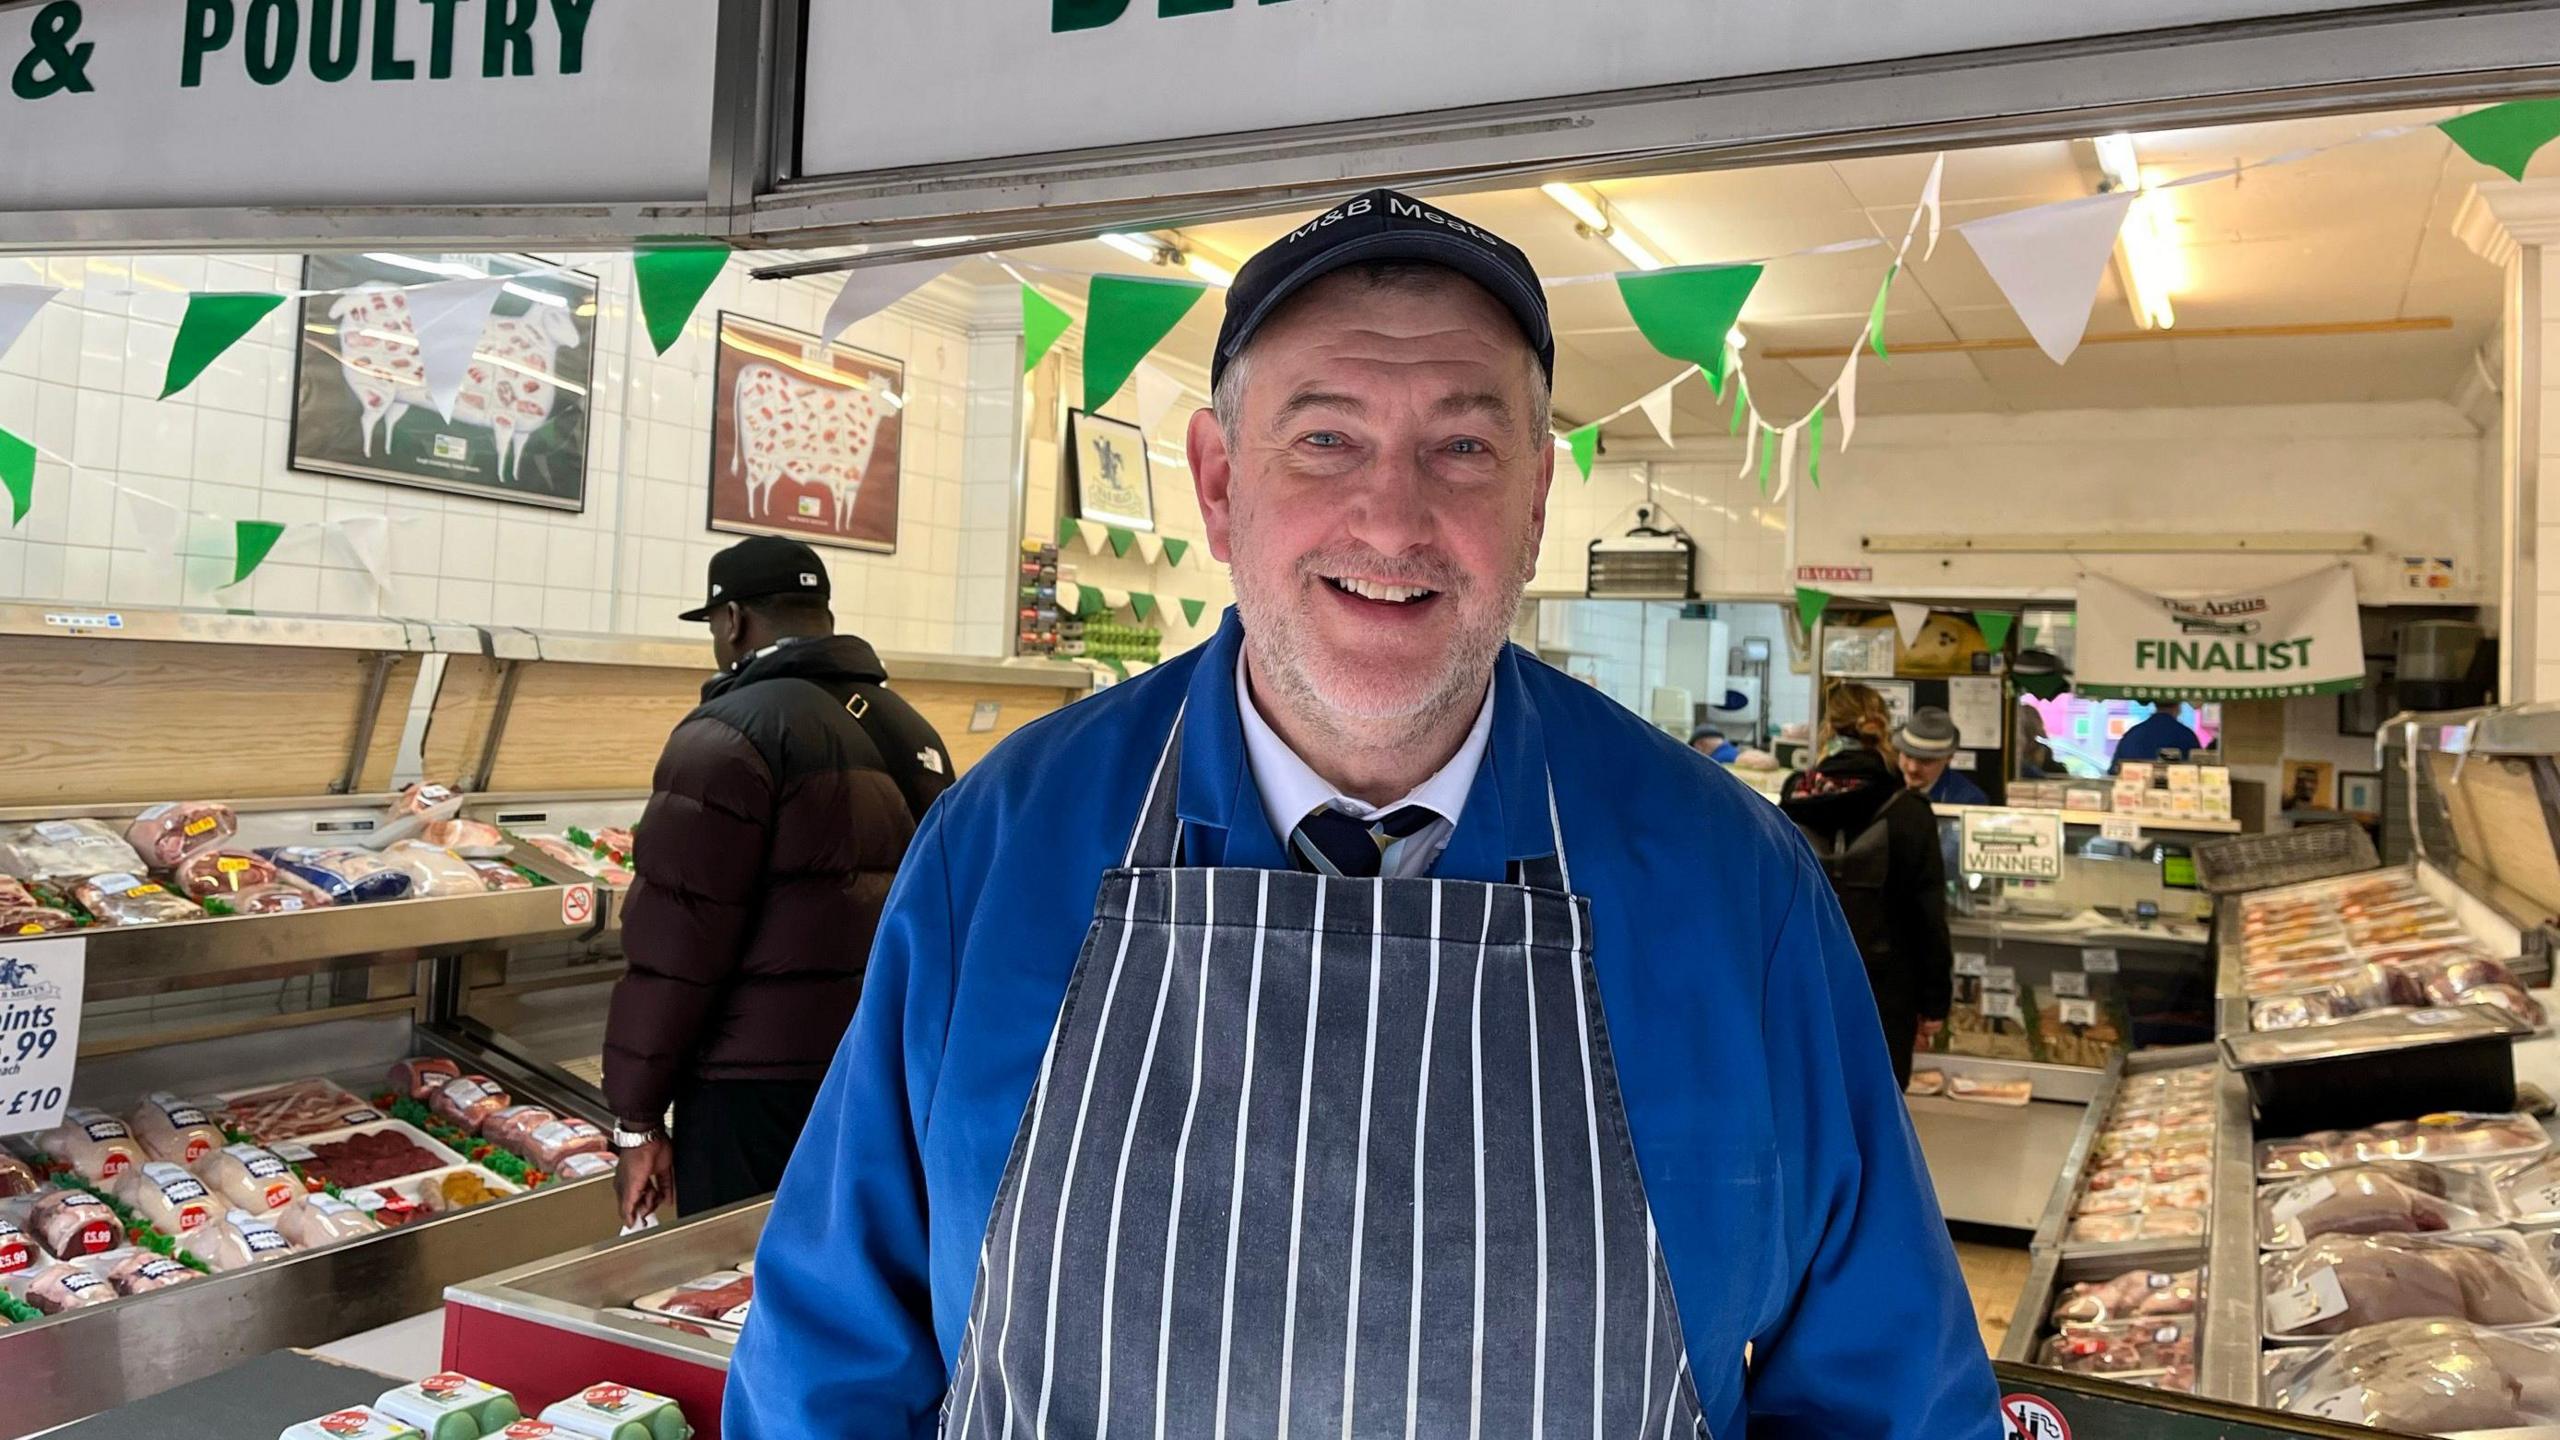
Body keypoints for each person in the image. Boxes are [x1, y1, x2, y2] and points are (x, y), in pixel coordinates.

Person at [727, 189, 1997, 1440]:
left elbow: (1889, 1397)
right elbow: (826, 1366)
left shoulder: (1737, 892)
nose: (1394, 521)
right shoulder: (1000, 852)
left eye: (1463, 447)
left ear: (1537, 499)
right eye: (1326, 439)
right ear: (1220, 485)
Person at [603, 536, 953, 1224]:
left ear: (732, 620)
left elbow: (674, 948)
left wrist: (636, 1120)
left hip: (752, 1093)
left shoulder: (728, 733)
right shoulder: (913, 730)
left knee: (741, 1291)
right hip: (880, 1075)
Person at [1780, 683, 1956, 1090]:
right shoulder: (1908, 812)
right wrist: (1934, 1003)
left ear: (1827, 730)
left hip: (1804, 986)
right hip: (1883, 997)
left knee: (1808, 1106)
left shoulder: (1793, 798)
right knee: (1877, 1118)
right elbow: (1928, 918)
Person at [1895, 705, 1989, 805]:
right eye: (1908, 756)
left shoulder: (1968, 800)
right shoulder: (1884, 786)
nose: (1912, 768)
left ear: (1949, 758)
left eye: (1925, 761)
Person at [2110, 698, 2205, 773]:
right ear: (2178, 707)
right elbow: (2199, 771)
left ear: (2155, 705)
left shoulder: (2132, 734)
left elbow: (2114, 772)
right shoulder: (2186, 736)